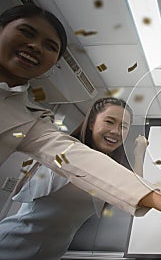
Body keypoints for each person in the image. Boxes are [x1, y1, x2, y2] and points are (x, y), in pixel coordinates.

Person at [0, 4, 161, 224]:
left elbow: (88, 164)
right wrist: (159, 194)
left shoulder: (31, 121)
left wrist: (159, 192)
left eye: (50, 46)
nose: (36, 47)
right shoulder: (54, 156)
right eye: (26, 32)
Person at [0, 97, 146, 259]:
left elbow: (133, 196)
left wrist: (139, 154)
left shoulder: (104, 167)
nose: (116, 131)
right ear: (91, 123)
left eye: (124, 127)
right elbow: (131, 196)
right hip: (12, 246)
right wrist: (139, 153)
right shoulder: (71, 155)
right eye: (109, 122)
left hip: (50, 253)